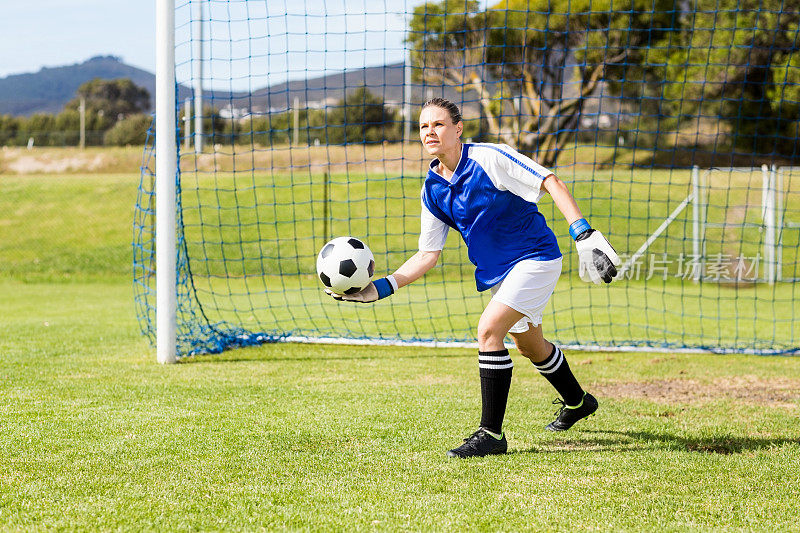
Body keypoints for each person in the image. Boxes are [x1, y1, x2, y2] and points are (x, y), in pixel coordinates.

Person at [326, 97, 620, 458]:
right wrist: (380, 288)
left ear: (458, 128)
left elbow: (549, 180)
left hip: (536, 258)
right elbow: (427, 255)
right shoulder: (432, 189)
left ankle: (491, 435)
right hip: (499, 274)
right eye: (423, 126)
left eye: (438, 124)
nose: (429, 132)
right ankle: (578, 402)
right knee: (530, 346)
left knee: (488, 330)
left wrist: (583, 233)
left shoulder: (489, 157)